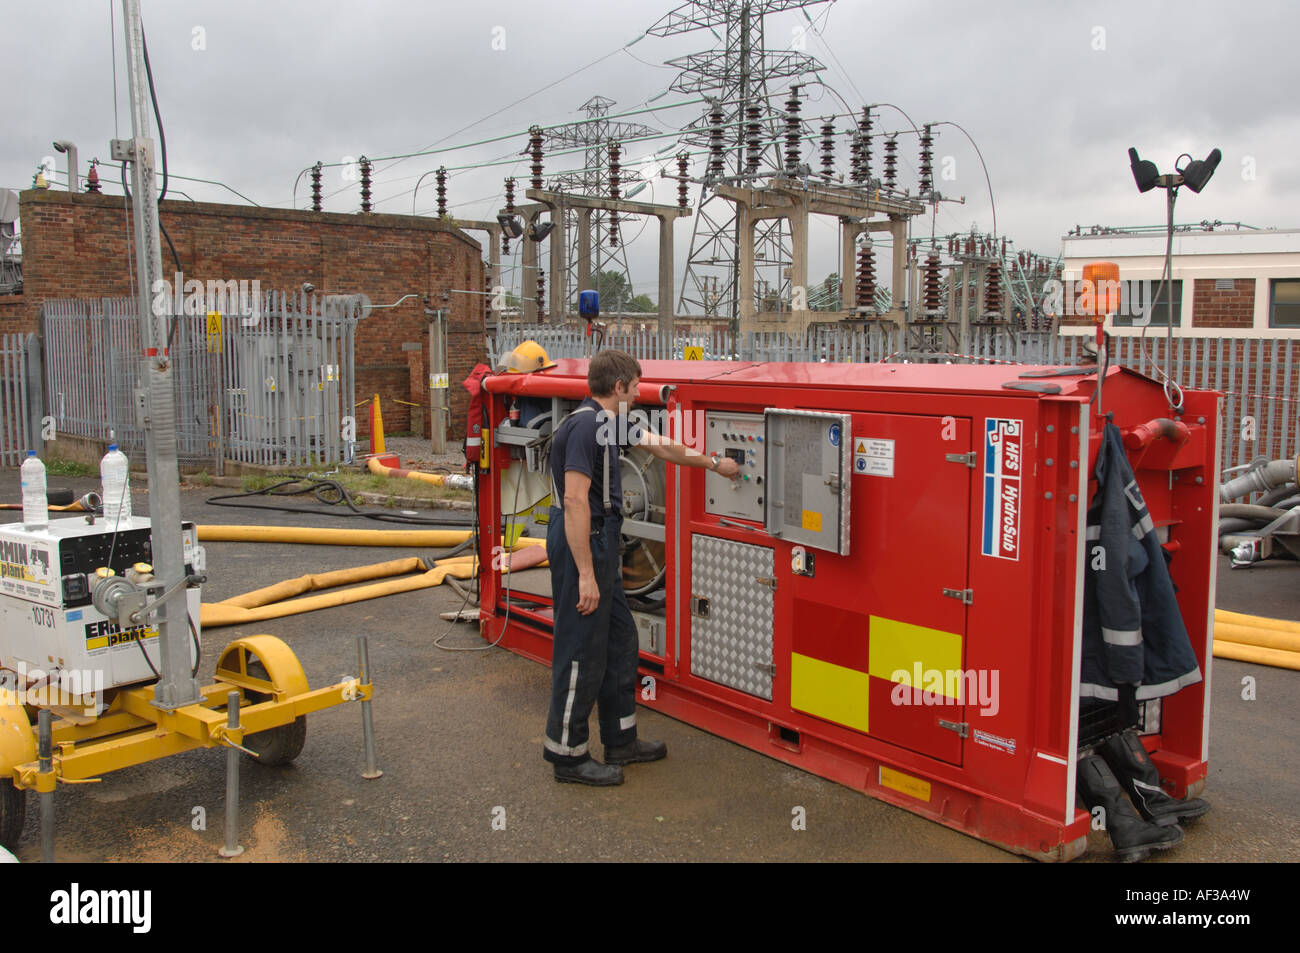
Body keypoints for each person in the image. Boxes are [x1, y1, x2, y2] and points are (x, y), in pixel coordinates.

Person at [544, 349, 741, 785]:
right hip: (584, 541)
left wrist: (716, 464)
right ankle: (567, 757)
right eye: (636, 384)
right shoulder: (584, 427)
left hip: (602, 539)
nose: (639, 390)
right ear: (618, 388)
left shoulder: (614, 423)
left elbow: (662, 447)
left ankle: (620, 741)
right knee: (580, 649)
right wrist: (586, 575)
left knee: (619, 639)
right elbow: (576, 501)